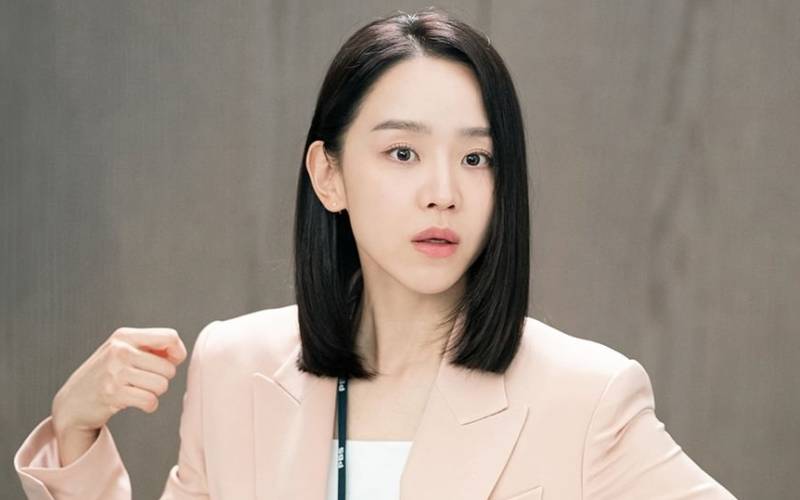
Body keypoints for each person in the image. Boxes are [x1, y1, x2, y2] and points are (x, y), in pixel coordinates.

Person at [13, 6, 738, 500]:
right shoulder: (235, 368)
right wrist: (74, 432)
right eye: (402, 152)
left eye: (477, 159)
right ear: (328, 175)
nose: (443, 193)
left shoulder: (587, 396)